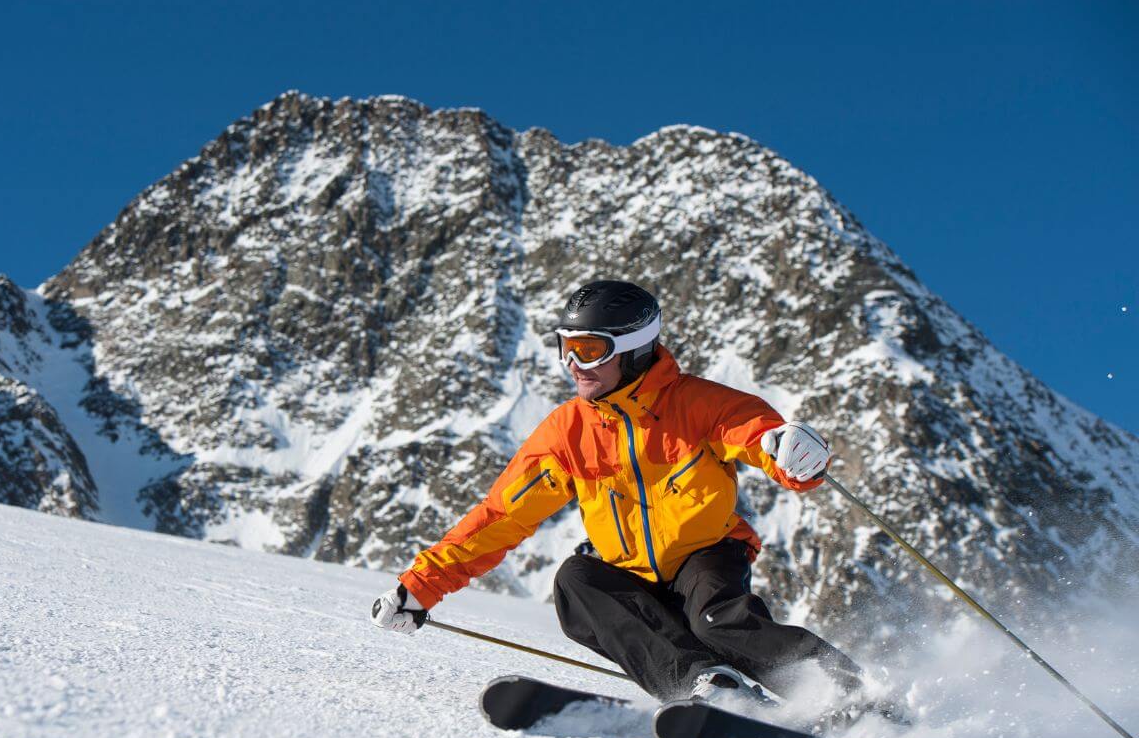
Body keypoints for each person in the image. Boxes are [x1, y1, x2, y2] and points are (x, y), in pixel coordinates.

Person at [370, 280, 863, 705]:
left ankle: (844, 691)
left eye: (588, 349)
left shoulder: (697, 404)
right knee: (575, 582)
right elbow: (502, 516)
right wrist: (421, 585)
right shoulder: (567, 432)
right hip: (628, 575)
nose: (573, 364)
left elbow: (756, 435)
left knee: (718, 623)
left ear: (633, 349)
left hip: (705, 557)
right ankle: (707, 685)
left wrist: (789, 452)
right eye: (565, 347)